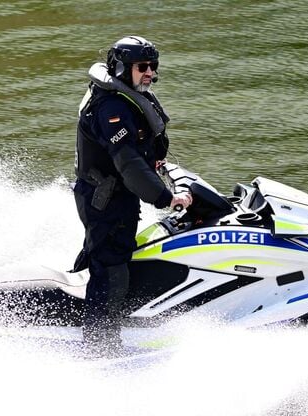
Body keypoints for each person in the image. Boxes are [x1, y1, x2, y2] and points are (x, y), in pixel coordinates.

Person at [72, 36, 192, 354]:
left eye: (153, 66)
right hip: (104, 201)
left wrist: (160, 166)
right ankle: (99, 347)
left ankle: (114, 333)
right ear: (124, 68)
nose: (150, 72)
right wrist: (166, 198)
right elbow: (128, 163)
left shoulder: (126, 97)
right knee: (111, 271)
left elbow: (141, 154)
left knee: (119, 261)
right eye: (143, 67)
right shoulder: (110, 107)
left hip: (117, 198)